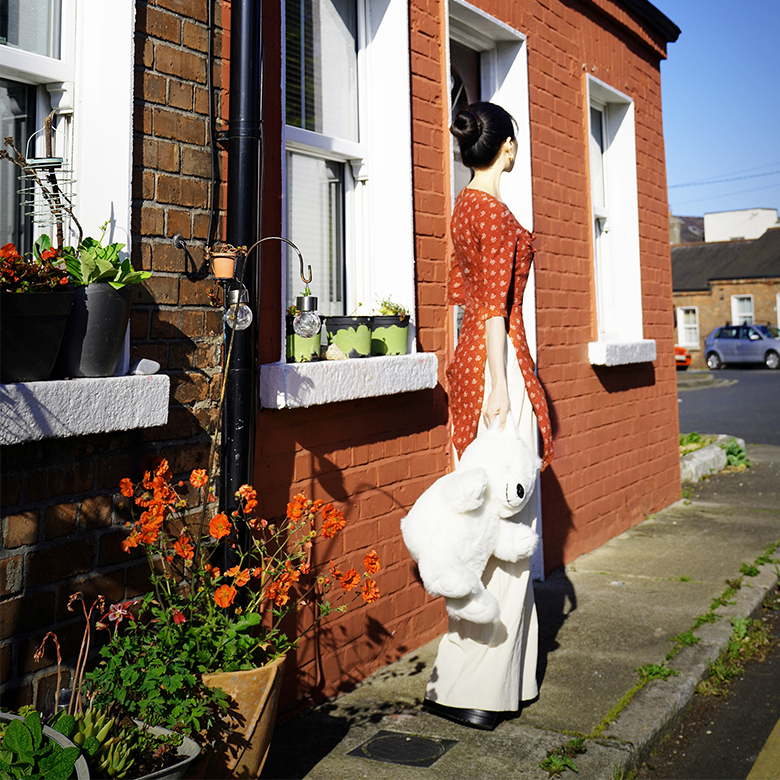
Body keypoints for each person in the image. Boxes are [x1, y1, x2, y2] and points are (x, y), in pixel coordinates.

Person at [422, 101, 554, 731]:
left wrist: (466, 378)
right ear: (508, 147)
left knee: (475, 520)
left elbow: (464, 305)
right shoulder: (496, 212)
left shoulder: (461, 207)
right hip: (498, 369)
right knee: (511, 528)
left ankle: (492, 674)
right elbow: (498, 309)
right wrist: (501, 386)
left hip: (469, 360)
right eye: (516, 140)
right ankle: (477, 688)